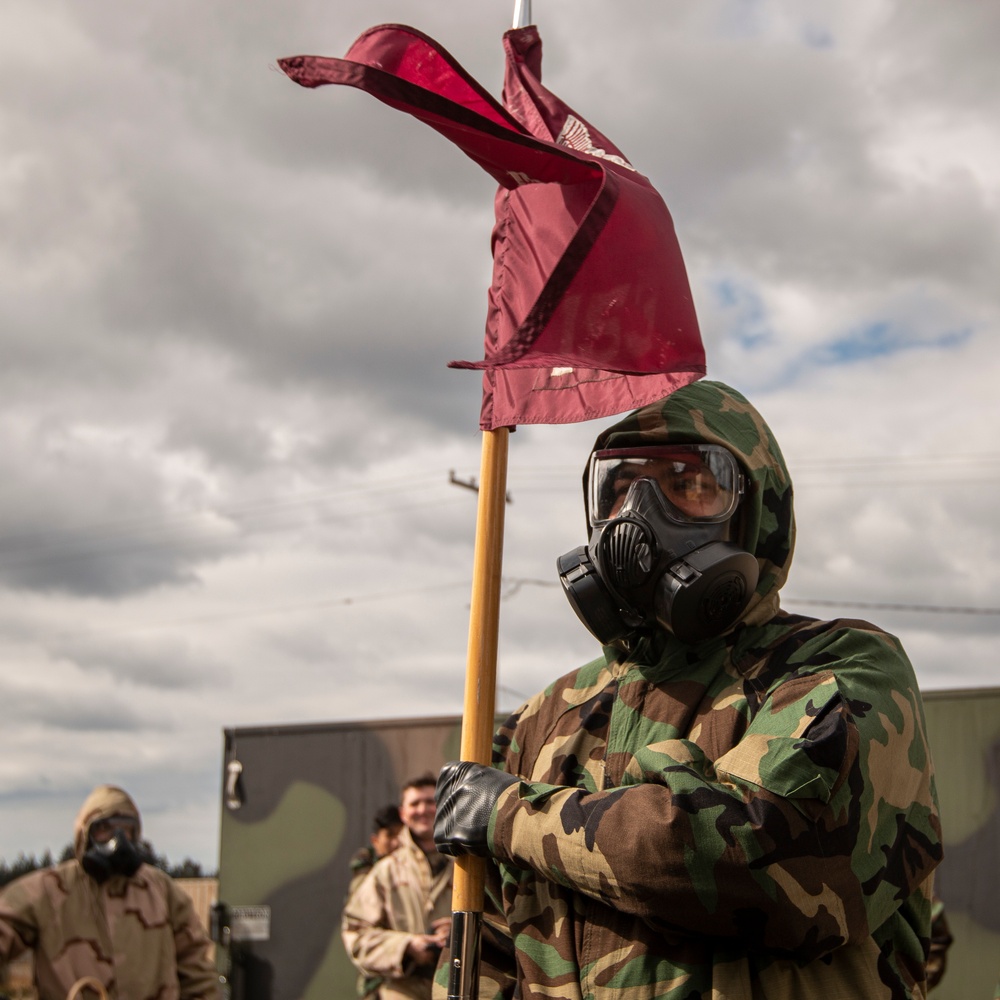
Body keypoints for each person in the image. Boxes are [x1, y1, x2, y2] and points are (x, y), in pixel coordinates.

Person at [434, 380, 943, 999]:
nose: (639, 515)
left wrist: (510, 814)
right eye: (621, 487)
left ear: (755, 516)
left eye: (689, 485)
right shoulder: (542, 720)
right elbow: (487, 954)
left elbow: (753, 857)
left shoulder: (838, 667)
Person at [0, 784, 218, 1000]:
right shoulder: (48, 891)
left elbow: (197, 974)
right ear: (85, 833)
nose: (118, 839)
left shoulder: (162, 891)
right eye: (105, 829)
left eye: (126, 830)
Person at [343, 774, 453, 1000]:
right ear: (403, 813)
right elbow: (356, 933)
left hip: (459, 987)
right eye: (414, 803)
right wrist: (406, 946)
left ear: (444, 806)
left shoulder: (471, 864)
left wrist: (462, 931)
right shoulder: (386, 871)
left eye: (430, 801)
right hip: (404, 989)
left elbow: (505, 922)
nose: (423, 809)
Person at [346, 804, 405, 999]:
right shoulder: (367, 872)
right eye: (390, 836)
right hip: (378, 979)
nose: (396, 843)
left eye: (401, 835)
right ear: (375, 840)